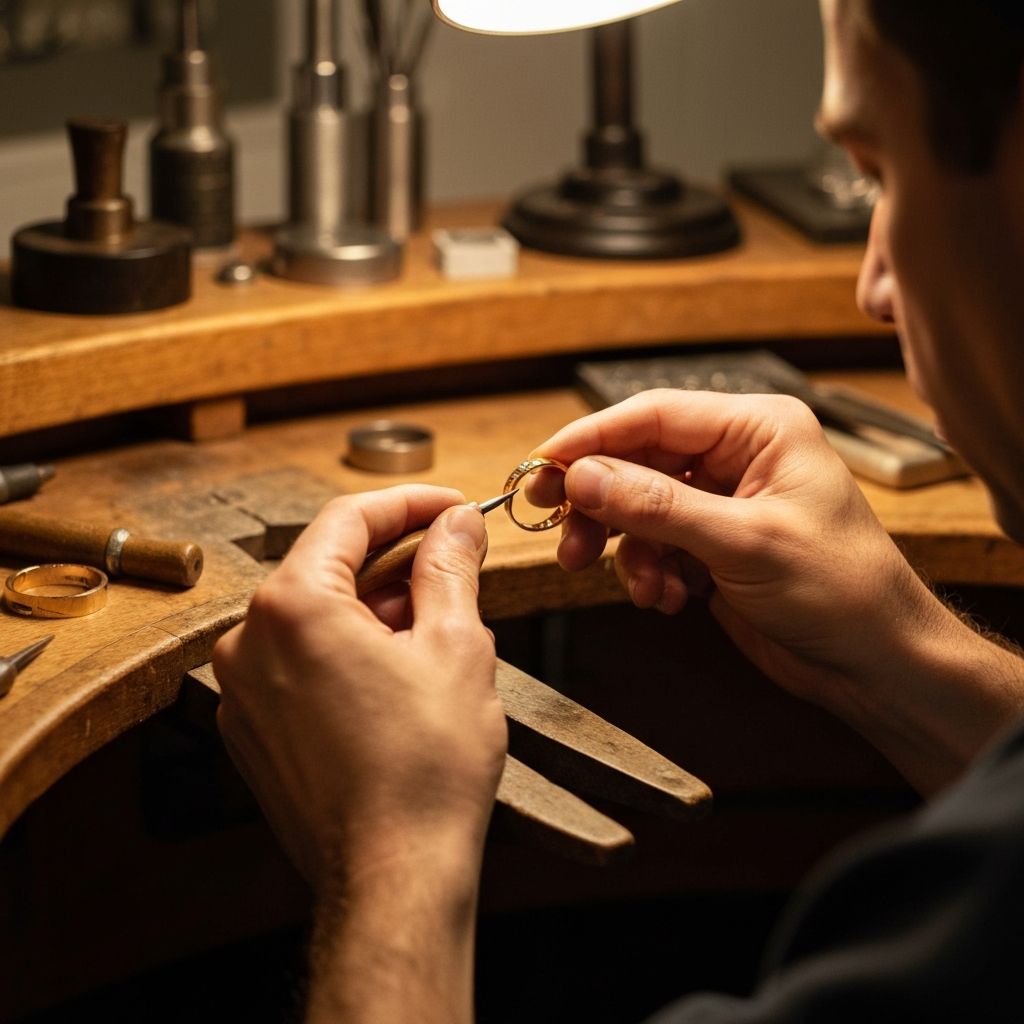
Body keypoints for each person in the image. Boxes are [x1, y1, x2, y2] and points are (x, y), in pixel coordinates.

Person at [212, 1, 1024, 1019]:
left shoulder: (947, 935)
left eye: (880, 172)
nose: (869, 286)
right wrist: (903, 654)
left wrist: (390, 848)